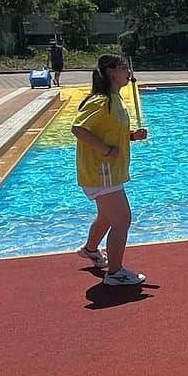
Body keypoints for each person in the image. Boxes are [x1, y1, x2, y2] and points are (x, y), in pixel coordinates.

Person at [71, 54, 148, 285]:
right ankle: (114, 273)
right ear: (111, 72)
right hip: (101, 171)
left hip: (108, 171)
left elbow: (108, 131)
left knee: (106, 216)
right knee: (122, 219)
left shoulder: (115, 99)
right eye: (124, 67)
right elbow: (79, 129)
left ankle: (90, 250)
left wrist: (131, 136)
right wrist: (105, 150)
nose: (128, 72)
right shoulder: (101, 101)